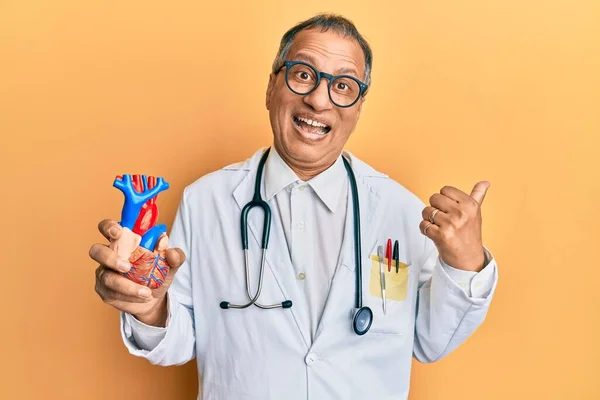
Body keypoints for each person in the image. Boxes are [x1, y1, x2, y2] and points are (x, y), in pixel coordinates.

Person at [89, 13, 498, 399]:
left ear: (358, 108)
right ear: (271, 87)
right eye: (303, 75)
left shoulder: (400, 211)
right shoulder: (206, 201)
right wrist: (150, 307)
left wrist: (465, 264)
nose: (319, 100)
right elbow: (177, 344)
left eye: (343, 86)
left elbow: (430, 340)